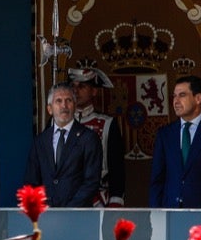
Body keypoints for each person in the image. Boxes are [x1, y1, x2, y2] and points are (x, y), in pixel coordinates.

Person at [149, 74, 201, 209]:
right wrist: (155, 215)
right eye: (174, 96)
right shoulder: (165, 134)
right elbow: (157, 181)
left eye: (182, 95)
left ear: (198, 98)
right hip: (170, 215)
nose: (175, 101)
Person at [23, 82, 103, 207]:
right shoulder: (40, 141)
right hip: (47, 217)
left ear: (75, 106)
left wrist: (68, 212)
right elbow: (31, 182)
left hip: (78, 216)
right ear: (50, 109)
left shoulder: (88, 138)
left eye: (68, 100)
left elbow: (91, 182)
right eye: (58, 101)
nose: (64, 105)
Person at [71, 63, 128, 206]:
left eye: (82, 87)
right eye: (73, 86)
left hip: (97, 200)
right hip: (66, 199)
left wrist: (116, 201)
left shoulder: (108, 123)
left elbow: (117, 168)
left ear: (94, 91)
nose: (76, 91)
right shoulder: (56, 123)